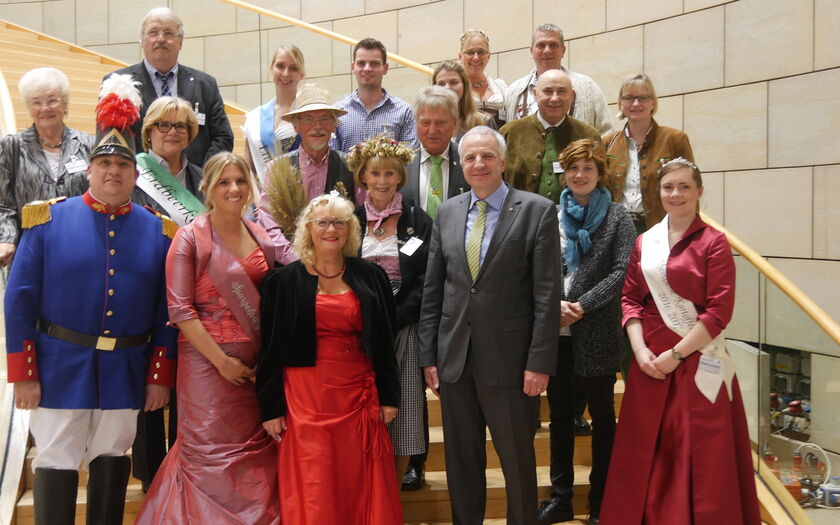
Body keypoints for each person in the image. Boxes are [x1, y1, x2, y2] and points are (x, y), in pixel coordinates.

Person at [4, 74, 176, 525]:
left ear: (135, 174)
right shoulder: (45, 221)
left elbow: (167, 312)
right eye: (105, 165)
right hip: (59, 366)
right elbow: (19, 301)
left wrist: (159, 374)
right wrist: (24, 374)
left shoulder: (158, 232)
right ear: (90, 169)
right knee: (56, 459)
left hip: (125, 369)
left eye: (122, 167)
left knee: (113, 458)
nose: (113, 173)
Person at [600, 158, 761, 525]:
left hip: (695, 360)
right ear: (658, 193)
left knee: (696, 452)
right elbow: (630, 299)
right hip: (649, 363)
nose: (676, 194)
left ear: (699, 192)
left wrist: (674, 354)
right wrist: (639, 351)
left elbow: (718, 313)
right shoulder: (646, 240)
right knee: (647, 450)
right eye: (668, 187)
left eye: (684, 187)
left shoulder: (714, 243)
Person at [418, 126, 561, 525]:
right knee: (462, 462)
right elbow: (433, 291)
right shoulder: (446, 212)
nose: (478, 164)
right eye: (469, 157)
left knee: (516, 461)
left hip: (512, 364)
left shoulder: (536, 210)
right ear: (460, 164)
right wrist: (429, 355)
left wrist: (540, 362)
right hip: (455, 361)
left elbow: (547, 296)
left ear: (502, 161)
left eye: (486, 156)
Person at [135, 153, 280, 524]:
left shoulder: (261, 234)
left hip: (254, 369)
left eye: (241, 181)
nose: (234, 189)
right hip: (206, 369)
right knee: (208, 453)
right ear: (208, 188)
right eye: (224, 182)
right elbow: (181, 311)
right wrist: (222, 361)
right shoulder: (189, 238)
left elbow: (274, 301)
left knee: (254, 452)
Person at [257, 192, 403, 525]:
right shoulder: (282, 281)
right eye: (322, 222)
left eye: (339, 222)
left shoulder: (371, 277)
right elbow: (270, 350)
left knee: (358, 479)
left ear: (350, 229)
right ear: (308, 229)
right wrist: (271, 408)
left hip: (358, 397)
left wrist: (389, 396)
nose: (331, 229)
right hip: (304, 399)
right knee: (315, 478)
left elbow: (384, 341)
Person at [537, 140, 634, 525]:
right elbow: (540, 267)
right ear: (564, 171)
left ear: (599, 174)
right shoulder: (549, 214)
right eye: (573, 168)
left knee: (603, 418)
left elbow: (622, 271)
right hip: (556, 330)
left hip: (597, 330)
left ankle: (601, 500)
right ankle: (561, 498)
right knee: (559, 417)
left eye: (588, 169)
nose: (580, 175)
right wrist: (555, 304)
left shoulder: (617, 216)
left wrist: (582, 305)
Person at [348, 135, 432, 486]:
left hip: (404, 326)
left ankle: (392, 493)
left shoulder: (417, 220)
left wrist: (395, 318)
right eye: (375, 173)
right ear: (363, 177)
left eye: (390, 174)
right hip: (357, 329)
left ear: (400, 176)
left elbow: (426, 278)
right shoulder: (349, 220)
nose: (382, 181)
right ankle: (365, 489)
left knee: (406, 412)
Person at [107, 7, 233, 166]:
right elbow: (112, 141)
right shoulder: (118, 84)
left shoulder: (205, 85)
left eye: (168, 33)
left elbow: (223, 137)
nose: (160, 39)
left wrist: (202, 176)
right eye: (153, 32)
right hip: (140, 183)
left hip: (194, 186)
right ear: (141, 40)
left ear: (180, 42)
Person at [256, 82, 362, 265]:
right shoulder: (277, 169)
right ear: (296, 126)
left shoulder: (351, 166)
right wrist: (296, 260)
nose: (317, 126)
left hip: (341, 268)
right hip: (291, 271)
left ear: (334, 126)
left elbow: (361, 218)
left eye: (324, 119)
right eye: (309, 119)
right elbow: (267, 223)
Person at [0, 67, 92, 267]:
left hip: (79, 250)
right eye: (37, 102)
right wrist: (6, 238)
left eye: (52, 100)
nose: (45, 108)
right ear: (29, 107)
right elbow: (4, 205)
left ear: (65, 103)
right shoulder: (12, 147)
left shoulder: (88, 144)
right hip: (28, 253)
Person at [603, 73, 695, 233]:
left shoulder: (675, 139)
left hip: (662, 229)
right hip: (616, 230)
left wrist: (692, 233)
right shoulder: (607, 143)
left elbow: (691, 189)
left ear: (653, 102)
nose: (636, 103)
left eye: (642, 98)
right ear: (620, 104)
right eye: (629, 98)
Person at [500, 69, 600, 203]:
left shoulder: (589, 136)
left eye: (562, 91)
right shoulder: (509, 133)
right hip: (520, 220)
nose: (554, 98)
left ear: (572, 96)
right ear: (535, 94)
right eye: (547, 91)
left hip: (575, 220)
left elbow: (599, 185)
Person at [505, 24, 613, 134]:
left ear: (563, 50)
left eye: (553, 45)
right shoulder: (514, 91)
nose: (547, 50)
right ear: (532, 51)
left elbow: (606, 134)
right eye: (541, 45)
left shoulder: (589, 88)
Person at [331, 38, 417, 152]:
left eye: (374, 63)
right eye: (361, 63)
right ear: (353, 67)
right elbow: (332, 161)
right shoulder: (337, 112)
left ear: (385, 68)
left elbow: (410, 161)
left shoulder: (404, 112)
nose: (367, 69)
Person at [133, 96, 204, 226]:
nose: (173, 132)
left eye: (180, 126)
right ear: (149, 132)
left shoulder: (204, 179)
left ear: (189, 134)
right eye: (164, 125)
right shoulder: (132, 174)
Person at [402, 86, 469, 221]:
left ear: (454, 124)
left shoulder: (467, 161)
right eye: (425, 123)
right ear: (416, 123)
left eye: (440, 123)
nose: (432, 130)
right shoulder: (400, 162)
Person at [243, 44, 305, 179]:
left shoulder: (309, 114)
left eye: (293, 68)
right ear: (271, 69)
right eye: (280, 66)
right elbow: (248, 170)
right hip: (262, 197)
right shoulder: (254, 118)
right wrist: (258, 199)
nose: (286, 74)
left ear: (301, 74)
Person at [433, 60, 496, 140]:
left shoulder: (483, 121)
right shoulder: (428, 124)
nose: (447, 88)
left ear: (464, 86)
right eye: (441, 84)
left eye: (453, 82)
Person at [458, 29, 508, 127]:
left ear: (489, 55)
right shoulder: (455, 89)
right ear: (460, 56)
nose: (476, 58)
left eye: (481, 52)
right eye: (470, 52)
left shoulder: (501, 87)